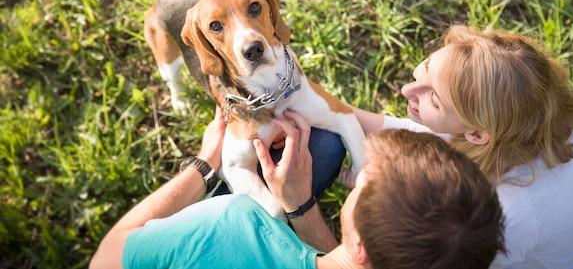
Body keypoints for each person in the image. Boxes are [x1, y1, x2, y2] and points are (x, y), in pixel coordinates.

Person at [352, 24, 573, 269]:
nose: (407, 91)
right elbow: (435, 137)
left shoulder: (505, 212)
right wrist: (337, 114)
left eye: (434, 98)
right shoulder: (538, 114)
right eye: (426, 66)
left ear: (477, 135)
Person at [90, 109, 505, 269]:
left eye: (360, 184)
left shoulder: (230, 222)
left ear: (360, 246)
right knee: (325, 147)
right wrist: (300, 203)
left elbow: (105, 258)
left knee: (322, 147)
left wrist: (203, 165)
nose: (354, 183)